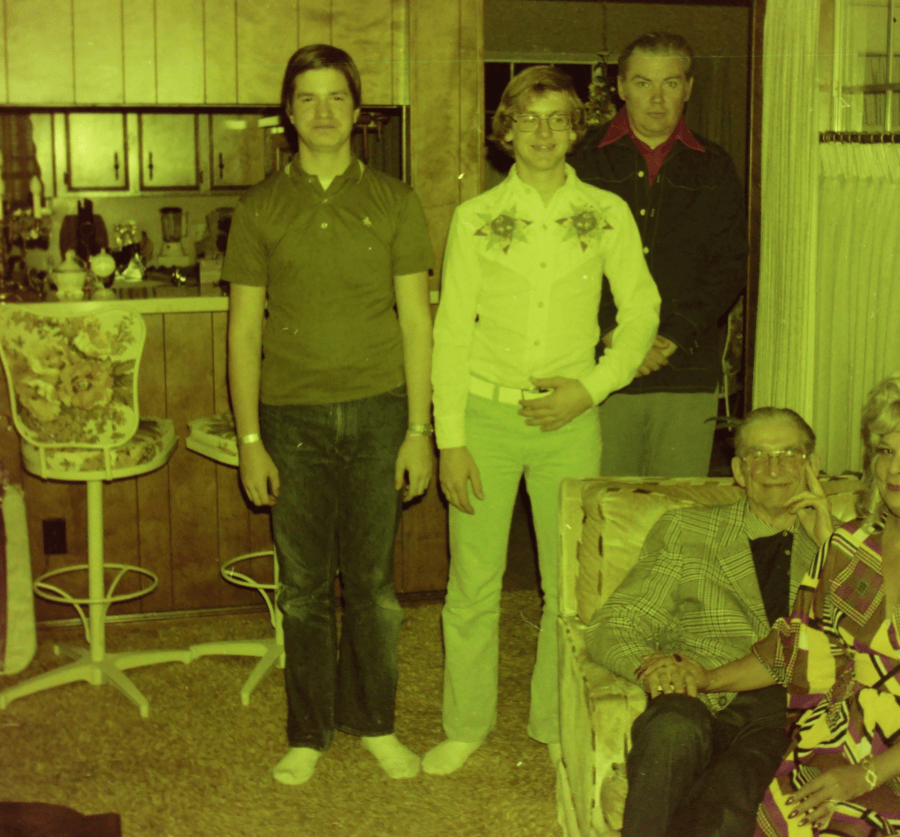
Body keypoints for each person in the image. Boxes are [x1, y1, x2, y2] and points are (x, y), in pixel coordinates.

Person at [425, 65, 661, 776]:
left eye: (558, 118)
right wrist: (450, 440)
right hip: (483, 419)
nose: (542, 132)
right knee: (473, 582)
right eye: (528, 118)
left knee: (569, 588)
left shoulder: (606, 212)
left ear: (576, 129)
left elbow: (641, 311)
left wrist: (590, 388)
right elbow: (450, 332)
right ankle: (465, 724)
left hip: (569, 424)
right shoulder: (474, 218)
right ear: (505, 129)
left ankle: (555, 721)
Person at [678, 366, 900, 836]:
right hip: (839, 741)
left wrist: (863, 777)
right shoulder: (849, 546)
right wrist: (707, 678)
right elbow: (797, 650)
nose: (895, 468)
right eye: (885, 450)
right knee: (772, 816)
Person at [222, 44, 435, 785]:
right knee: (305, 588)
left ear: (357, 111)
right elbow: (243, 332)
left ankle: (375, 723)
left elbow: (417, 322)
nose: (322, 111)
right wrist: (250, 440)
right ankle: (308, 732)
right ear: (288, 112)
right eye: (307, 98)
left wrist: (420, 429)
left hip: (381, 414)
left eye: (336, 97)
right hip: (290, 420)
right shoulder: (259, 208)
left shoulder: (395, 200)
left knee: (373, 587)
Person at [586, 408, 835, 836]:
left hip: (786, 715)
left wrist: (829, 544)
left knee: (729, 799)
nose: (773, 468)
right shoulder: (689, 529)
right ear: (739, 470)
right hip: (699, 695)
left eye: (789, 454)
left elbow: (874, 637)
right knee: (670, 729)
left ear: (812, 465)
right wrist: (654, 667)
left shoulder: (847, 544)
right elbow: (616, 622)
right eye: (758, 455)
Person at [570, 32, 749, 479]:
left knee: (675, 508)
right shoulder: (581, 160)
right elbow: (566, 260)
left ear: (688, 88)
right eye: (642, 82)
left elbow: (728, 267)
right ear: (621, 87)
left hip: (684, 371)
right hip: (600, 369)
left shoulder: (715, 165)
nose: (656, 99)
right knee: (602, 507)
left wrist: (669, 336)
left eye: (669, 84)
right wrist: (616, 334)